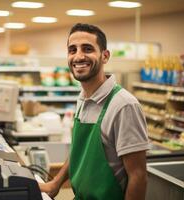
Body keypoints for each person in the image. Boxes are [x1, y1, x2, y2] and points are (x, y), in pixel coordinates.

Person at [39, 23, 149, 200]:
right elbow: (79, 151)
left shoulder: (124, 105)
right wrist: (56, 183)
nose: (78, 56)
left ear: (105, 56)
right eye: (72, 50)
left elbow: (139, 176)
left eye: (87, 49)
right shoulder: (83, 98)